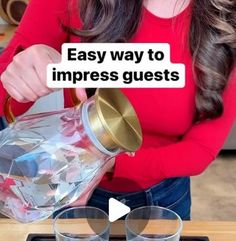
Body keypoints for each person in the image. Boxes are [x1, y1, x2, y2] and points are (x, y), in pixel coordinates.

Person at [0, 0, 235, 220]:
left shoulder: (226, 19)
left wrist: (109, 163)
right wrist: (20, 71)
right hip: (71, 187)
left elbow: (201, 149)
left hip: (164, 199)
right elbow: (5, 97)